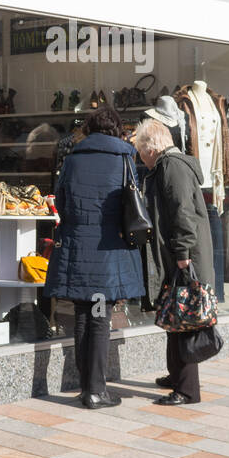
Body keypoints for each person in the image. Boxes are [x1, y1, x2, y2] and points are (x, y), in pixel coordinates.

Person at [44, 106, 146, 409]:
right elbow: (131, 202)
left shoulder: (73, 159)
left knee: (82, 315)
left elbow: (60, 201)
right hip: (108, 250)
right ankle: (96, 390)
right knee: (100, 317)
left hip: (77, 248)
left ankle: (85, 385)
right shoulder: (124, 158)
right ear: (116, 128)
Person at [133, 117, 215, 406]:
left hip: (184, 257)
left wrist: (182, 255)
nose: (140, 157)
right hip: (180, 255)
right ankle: (176, 375)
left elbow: (182, 214)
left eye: (140, 150)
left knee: (185, 320)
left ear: (151, 147)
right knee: (175, 318)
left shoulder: (172, 167)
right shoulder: (171, 165)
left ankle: (188, 390)